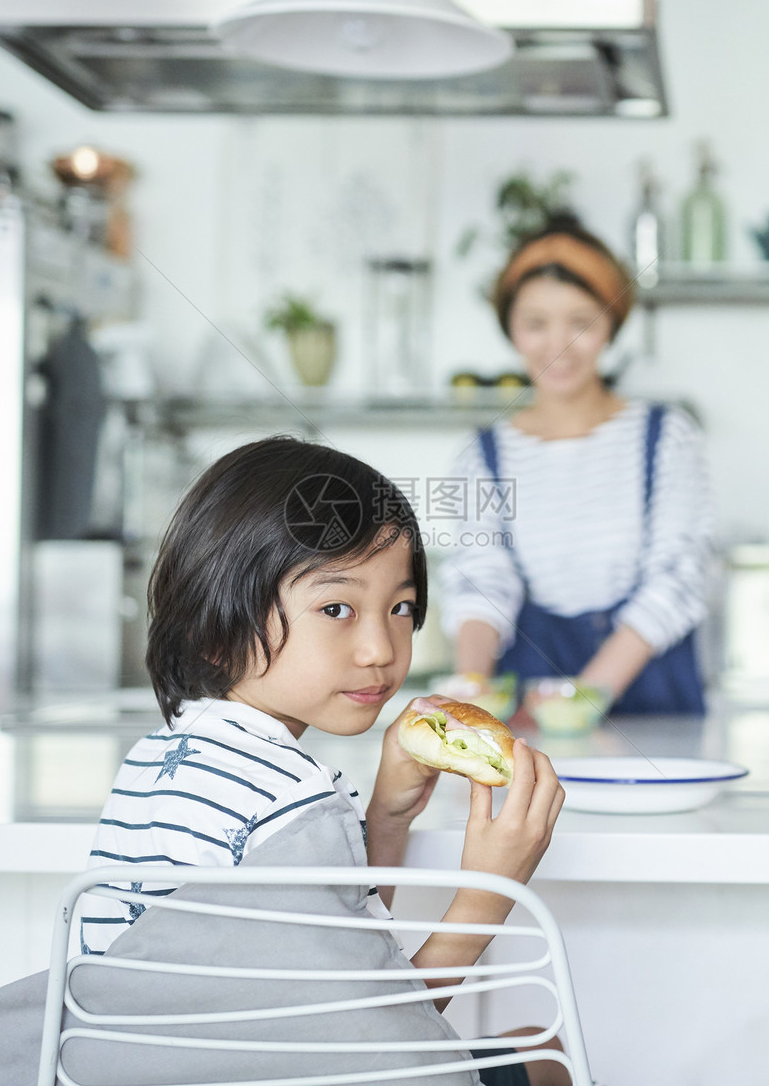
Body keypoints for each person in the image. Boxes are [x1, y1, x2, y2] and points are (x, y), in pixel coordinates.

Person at [79, 435, 568, 1086]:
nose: (379, 648)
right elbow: (379, 1031)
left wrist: (386, 817)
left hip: (125, 1067)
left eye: (400, 607)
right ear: (215, 626)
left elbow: (342, 955)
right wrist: (487, 894)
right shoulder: (294, 795)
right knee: (549, 1052)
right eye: (337, 608)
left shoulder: (157, 758)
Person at [440, 216, 714, 715]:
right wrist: (470, 690)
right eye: (536, 323)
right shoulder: (481, 455)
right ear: (511, 329)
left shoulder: (667, 437)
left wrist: (578, 701)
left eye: (581, 322)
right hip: (527, 706)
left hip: (654, 702)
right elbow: (481, 578)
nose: (559, 345)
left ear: (610, 325)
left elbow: (678, 577)